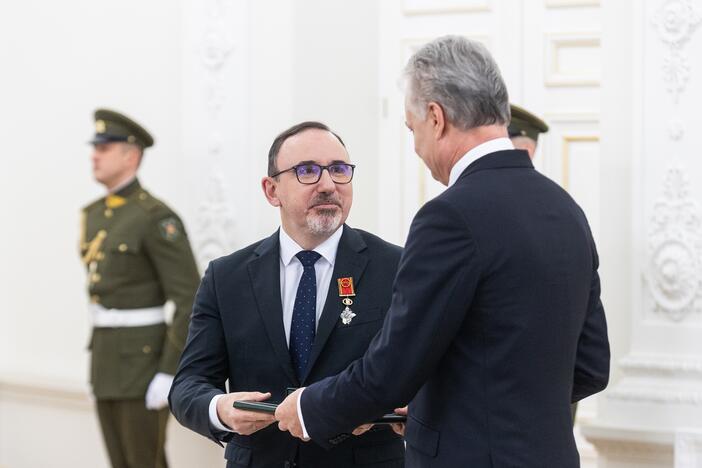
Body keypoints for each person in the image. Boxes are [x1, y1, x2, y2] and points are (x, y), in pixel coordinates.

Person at [275, 36, 610, 467]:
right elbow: (592, 365)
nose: (415, 148)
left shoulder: (449, 216)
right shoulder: (565, 209)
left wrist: (307, 407)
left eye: (412, 129)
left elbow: (391, 370)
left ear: (436, 117)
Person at [169, 121, 405, 468]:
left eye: (339, 170)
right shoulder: (227, 277)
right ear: (271, 190)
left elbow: (426, 376)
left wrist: (396, 410)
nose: (328, 185)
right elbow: (188, 386)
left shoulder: (396, 267)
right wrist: (220, 409)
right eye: (308, 171)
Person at [80, 108, 200, 468]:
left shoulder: (155, 217)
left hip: (144, 364)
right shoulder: (94, 213)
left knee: (145, 462)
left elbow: (189, 298)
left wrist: (168, 370)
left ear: (131, 155)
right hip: (105, 360)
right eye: (94, 147)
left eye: (105, 147)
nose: (94, 155)